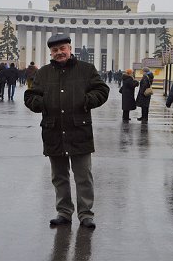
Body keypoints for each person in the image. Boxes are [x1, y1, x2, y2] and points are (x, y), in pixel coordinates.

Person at [24, 33, 109, 229]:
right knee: (59, 176)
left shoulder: (86, 70)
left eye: (63, 48)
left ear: (70, 49)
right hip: (54, 131)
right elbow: (30, 97)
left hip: (79, 130)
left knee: (83, 175)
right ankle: (64, 212)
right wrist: (43, 103)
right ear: (51, 53)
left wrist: (87, 101)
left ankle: (86, 214)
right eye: (55, 50)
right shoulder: (43, 73)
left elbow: (102, 90)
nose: (59, 53)